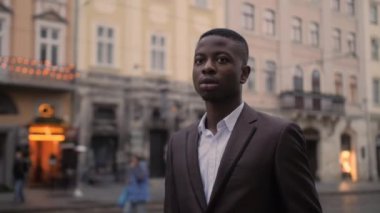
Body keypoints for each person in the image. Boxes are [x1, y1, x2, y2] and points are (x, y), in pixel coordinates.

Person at [164, 28, 322, 213]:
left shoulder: (278, 136)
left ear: (244, 74)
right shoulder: (178, 143)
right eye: (199, 60)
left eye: (221, 59)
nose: (207, 67)